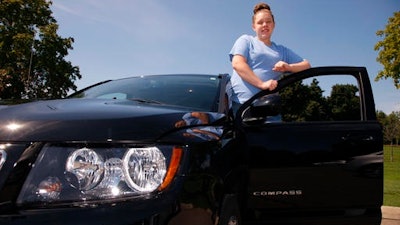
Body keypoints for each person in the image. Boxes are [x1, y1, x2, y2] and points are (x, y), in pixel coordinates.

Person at [228, 2, 311, 116]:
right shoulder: (246, 41)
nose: (264, 25)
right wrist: (262, 84)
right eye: (260, 22)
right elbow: (237, 64)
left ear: (274, 24)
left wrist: (288, 67)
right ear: (253, 26)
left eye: (268, 22)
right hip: (242, 105)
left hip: (269, 108)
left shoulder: (282, 50)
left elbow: (306, 65)